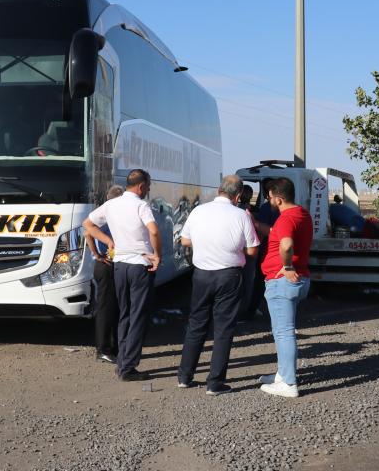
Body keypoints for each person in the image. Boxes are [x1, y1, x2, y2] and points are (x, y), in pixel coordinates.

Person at [176, 175, 261, 395]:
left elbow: (185, 240)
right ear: (239, 195)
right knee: (223, 329)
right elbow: (252, 250)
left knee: (196, 324)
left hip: (202, 274)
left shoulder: (198, 211)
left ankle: (185, 376)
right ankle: (215, 382)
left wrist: (206, 242)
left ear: (218, 190)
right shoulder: (242, 215)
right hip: (229, 276)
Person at [83, 169, 160, 382]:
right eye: (148, 186)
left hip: (120, 266)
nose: (148, 190)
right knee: (138, 316)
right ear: (142, 186)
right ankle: (128, 367)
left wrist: (107, 241)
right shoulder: (141, 206)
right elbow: (153, 231)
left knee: (124, 314)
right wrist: (157, 255)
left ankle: (122, 362)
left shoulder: (111, 205)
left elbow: (87, 225)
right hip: (139, 265)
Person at [259, 177, 314, 398]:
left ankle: (289, 384)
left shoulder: (285, 219)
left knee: (283, 333)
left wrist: (287, 265)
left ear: (279, 198)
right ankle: (283, 374)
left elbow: (287, 244)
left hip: (283, 281)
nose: (268, 200)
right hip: (298, 279)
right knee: (282, 331)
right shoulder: (301, 213)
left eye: (270, 197)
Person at [86, 184, 123, 364]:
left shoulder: (101, 213)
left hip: (103, 263)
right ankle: (104, 349)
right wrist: (99, 254)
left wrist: (95, 254)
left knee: (109, 307)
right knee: (106, 308)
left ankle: (111, 348)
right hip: (108, 264)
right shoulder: (111, 214)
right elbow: (87, 232)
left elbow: (88, 234)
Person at [237, 184, 265, 320]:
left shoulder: (233, 209)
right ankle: (246, 310)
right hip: (250, 250)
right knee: (249, 281)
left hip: (237, 250)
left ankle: (238, 310)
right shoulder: (254, 211)